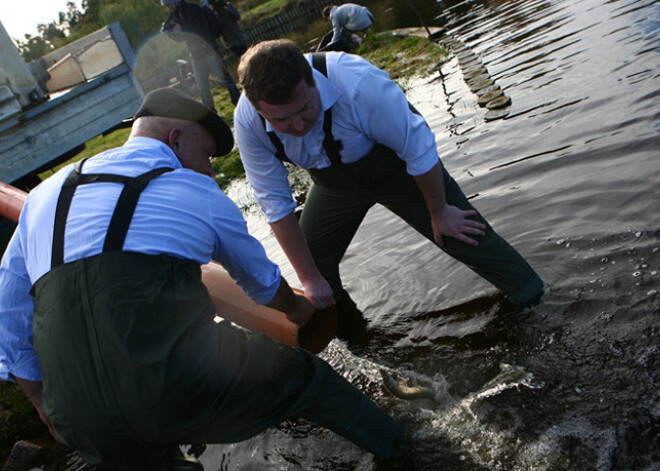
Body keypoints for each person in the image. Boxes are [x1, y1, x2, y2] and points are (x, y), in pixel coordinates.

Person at [0, 87, 402, 468]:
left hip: (74, 409)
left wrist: (41, 400)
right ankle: (409, 448)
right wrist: (299, 310)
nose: (210, 168)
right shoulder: (195, 190)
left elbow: (9, 308)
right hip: (171, 381)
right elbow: (262, 284)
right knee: (309, 382)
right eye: (207, 153)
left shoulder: (43, 196)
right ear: (175, 138)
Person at [234, 40, 544, 333]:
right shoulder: (248, 122)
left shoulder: (356, 82)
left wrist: (439, 210)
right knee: (311, 264)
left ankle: (538, 303)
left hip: (398, 170)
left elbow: (418, 148)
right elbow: (274, 203)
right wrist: (308, 278)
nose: (298, 125)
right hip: (333, 185)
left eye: (305, 109)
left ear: (312, 81)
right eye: (283, 120)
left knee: (461, 233)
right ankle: (349, 333)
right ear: (258, 109)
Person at [161, 0, 241, 107]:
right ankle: (210, 111)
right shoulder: (176, 14)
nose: (167, 7)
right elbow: (181, 37)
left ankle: (238, 102)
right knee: (202, 86)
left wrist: (180, 29)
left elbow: (197, 29)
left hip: (208, 49)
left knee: (224, 78)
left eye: (168, 4)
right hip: (195, 54)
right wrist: (171, 33)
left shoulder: (192, 8)